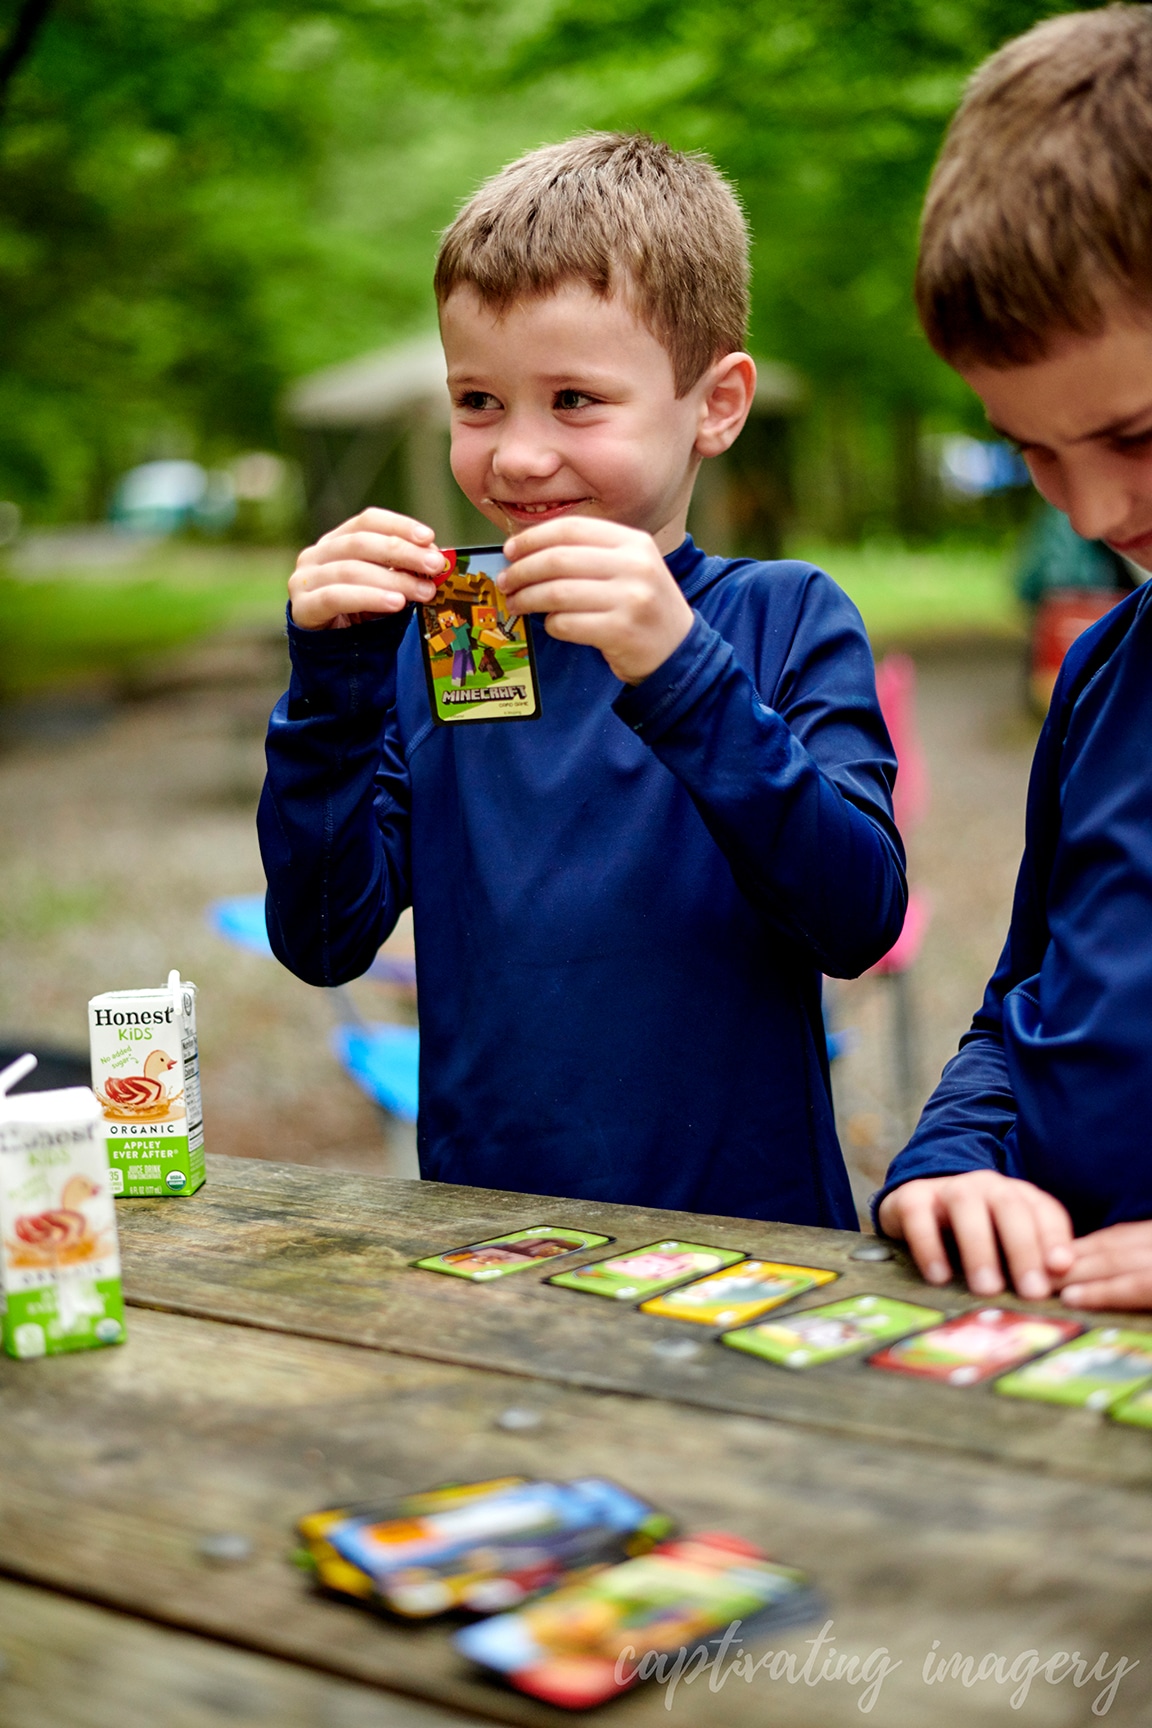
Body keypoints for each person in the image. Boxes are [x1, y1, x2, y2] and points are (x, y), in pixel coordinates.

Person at [259, 132, 905, 1223]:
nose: (515, 455)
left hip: (754, 1232)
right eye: (478, 402)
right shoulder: (449, 632)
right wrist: (331, 678)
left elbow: (857, 919)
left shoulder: (781, 616)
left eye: (573, 401)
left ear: (716, 404)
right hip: (489, 1232)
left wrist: (683, 671)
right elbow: (324, 939)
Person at [876, 6, 1152, 1309]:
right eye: (1034, 452)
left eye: (1137, 438)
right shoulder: (1106, 674)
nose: (1092, 517)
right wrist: (956, 1157)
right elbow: (1028, 1005)